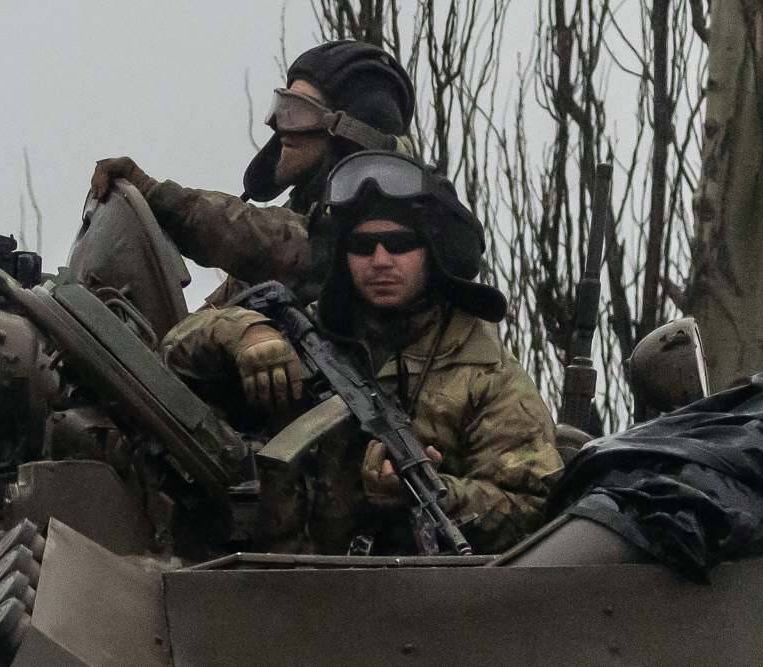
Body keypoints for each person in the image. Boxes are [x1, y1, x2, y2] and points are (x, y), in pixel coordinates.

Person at [161, 150, 563, 555]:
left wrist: (436, 494)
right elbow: (171, 357)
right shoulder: (304, 330)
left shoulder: (486, 374)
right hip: (265, 578)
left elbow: (533, 510)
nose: (380, 261)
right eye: (362, 245)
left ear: (435, 252)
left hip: (404, 588)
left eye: (401, 244)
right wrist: (245, 334)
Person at [90, 40, 416, 306]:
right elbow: (211, 319)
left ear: (349, 134)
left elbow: (271, 241)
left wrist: (153, 192)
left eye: (298, 112)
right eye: (282, 108)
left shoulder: (376, 229)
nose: (282, 129)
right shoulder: (301, 214)